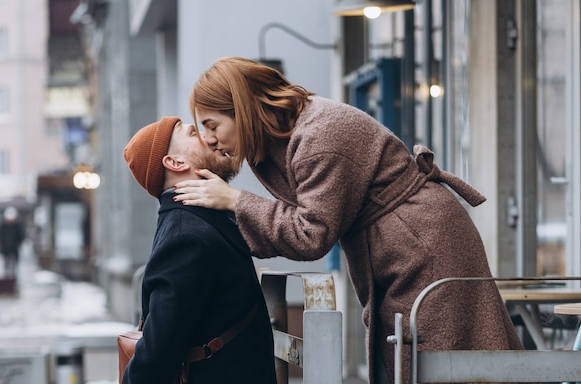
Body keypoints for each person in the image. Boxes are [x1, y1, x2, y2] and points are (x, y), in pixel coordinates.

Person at [174, 57, 524, 383]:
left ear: (243, 110)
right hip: (405, 243)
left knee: (439, 359)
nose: (208, 138)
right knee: (413, 358)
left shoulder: (318, 138)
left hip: (424, 245)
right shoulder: (284, 138)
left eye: (211, 124)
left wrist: (235, 201)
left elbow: (310, 234)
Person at [122, 116, 277, 384]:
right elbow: (158, 350)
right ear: (176, 163)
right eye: (194, 133)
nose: (210, 138)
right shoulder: (186, 234)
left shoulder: (200, 219)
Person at [0, 206, 25, 278]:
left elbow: (21, 236)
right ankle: (6, 277)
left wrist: (18, 243)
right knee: (6, 263)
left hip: (14, 248)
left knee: (14, 264)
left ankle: (13, 277)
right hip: (6, 248)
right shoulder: (3, 226)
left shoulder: (17, 226)